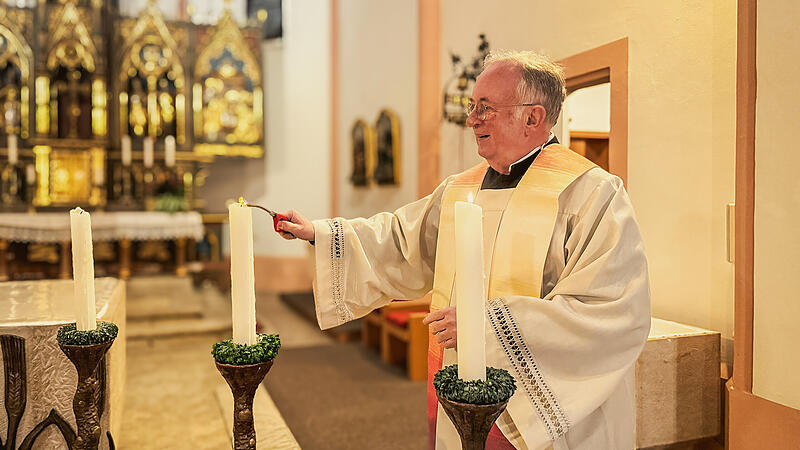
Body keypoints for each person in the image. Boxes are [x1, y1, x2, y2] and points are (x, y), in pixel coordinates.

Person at [276, 50, 651, 450]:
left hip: (542, 411)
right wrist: (320, 233)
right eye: (472, 106)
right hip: (460, 380)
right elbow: (403, 239)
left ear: (532, 118)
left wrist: (485, 325)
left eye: (485, 108)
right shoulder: (462, 187)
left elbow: (612, 310)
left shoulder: (591, 192)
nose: (472, 119)